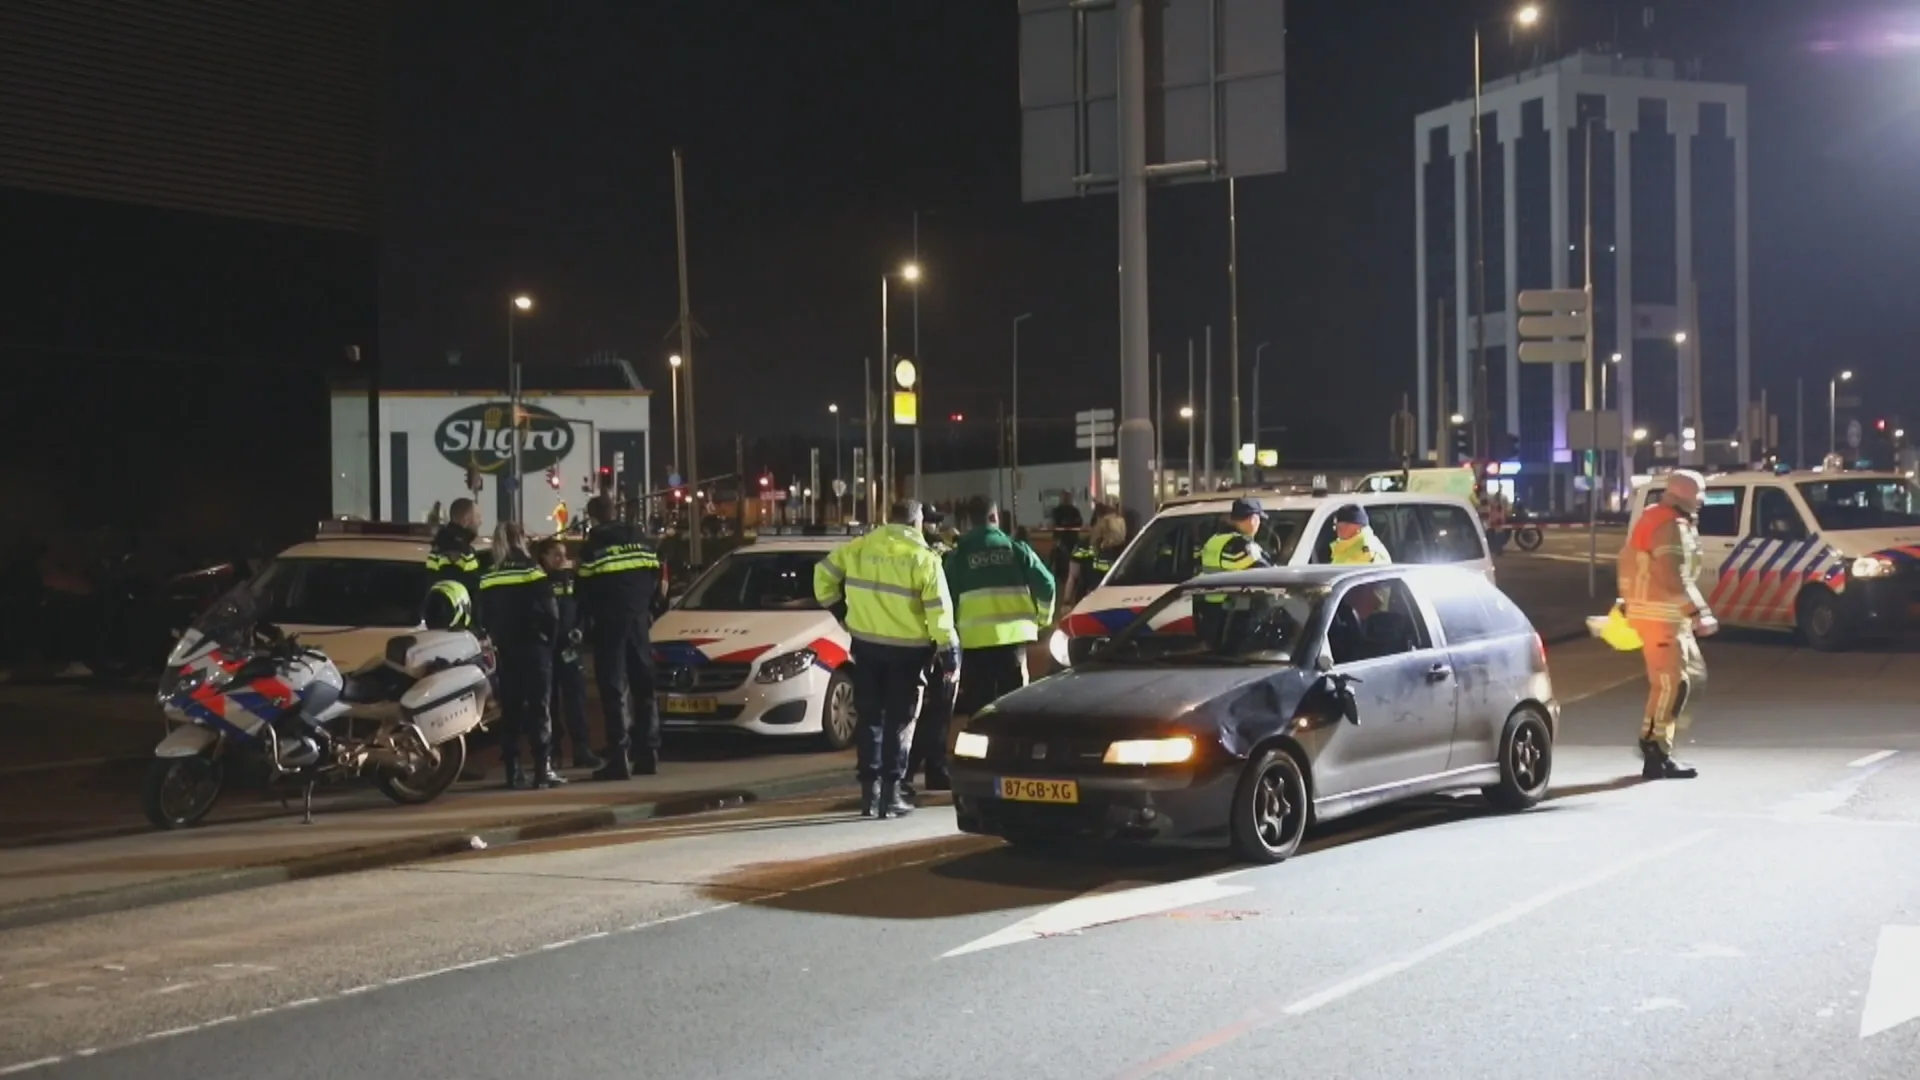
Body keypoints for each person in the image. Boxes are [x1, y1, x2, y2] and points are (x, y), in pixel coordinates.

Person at [814, 499, 958, 819]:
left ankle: (870, 794)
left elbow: (822, 576)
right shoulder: (924, 559)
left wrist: (843, 613)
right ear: (916, 522)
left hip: (866, 648)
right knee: (900, 721)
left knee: (871, 720)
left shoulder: (860, 548)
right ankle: (891, 796)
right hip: (909, 653)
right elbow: (940, 613)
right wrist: (950, 652)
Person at [939, 504, 1055, 783]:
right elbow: (1047, 585)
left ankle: (984, 765)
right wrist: (1041, 619)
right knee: (1015, 705)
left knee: (979, 709)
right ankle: (1015, 762)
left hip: (974, 643)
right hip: (1012, 642)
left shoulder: (957, 557)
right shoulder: (1017, 550)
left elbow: (947, 600)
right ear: (995, 519)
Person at [1617, 469, 1715, 780]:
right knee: (1672, 685)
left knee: (1687, 680)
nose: (1701, 501)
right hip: (1661, 617)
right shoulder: (1668, 525)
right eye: (1698, 495)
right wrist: (1699, 613)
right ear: (1685, 494)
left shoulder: (1661, 519)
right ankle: (1653, 749)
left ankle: (1659, 746)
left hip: (1665, 615)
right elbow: (1673, 578)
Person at [577, 495, 668, 780]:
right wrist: (647, 608)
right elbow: (657, 578)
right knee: (644, 687)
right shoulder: (640, 539)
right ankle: (648, 755)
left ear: (592, 517)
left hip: (610, 624)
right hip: (639, 621)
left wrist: (587, 623)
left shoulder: (594, 546)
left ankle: (619, 758)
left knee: (614, 689)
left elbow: (583, 590)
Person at [477, 524, 565, 790]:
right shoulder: (532, 571)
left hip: (506, 650)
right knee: (540, 708)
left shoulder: (490, 574)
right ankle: (542, 769)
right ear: (521, 540)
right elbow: (551, 612)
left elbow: (483, 615)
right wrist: (548, 641)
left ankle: (512, 772)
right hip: (534, 648)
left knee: (511, 711)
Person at [535, 537, 602, 771]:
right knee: (548, 702)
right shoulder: (537, 580)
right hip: (547, 648)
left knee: (576, 699)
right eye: (556, 554)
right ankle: (552, 753)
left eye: (564, 554)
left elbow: (584, 606)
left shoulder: (573, 578)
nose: (562, 559)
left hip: (569, 648)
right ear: (543, 557)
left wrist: (580, 630)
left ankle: (581, 749)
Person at [427, 497, 484, 605]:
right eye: (477, 517)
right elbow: (453, 593)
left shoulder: (442, 544)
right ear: (466, 519)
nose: (480, 522)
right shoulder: (456, 549)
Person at [1064, 510, 1127, 608]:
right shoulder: (1122, 549)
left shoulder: (1085, 544)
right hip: (1101, 600)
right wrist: (1066, 602)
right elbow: (1072, 576)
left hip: (1093, 599)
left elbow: (1072, 576)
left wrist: (1066, 601)